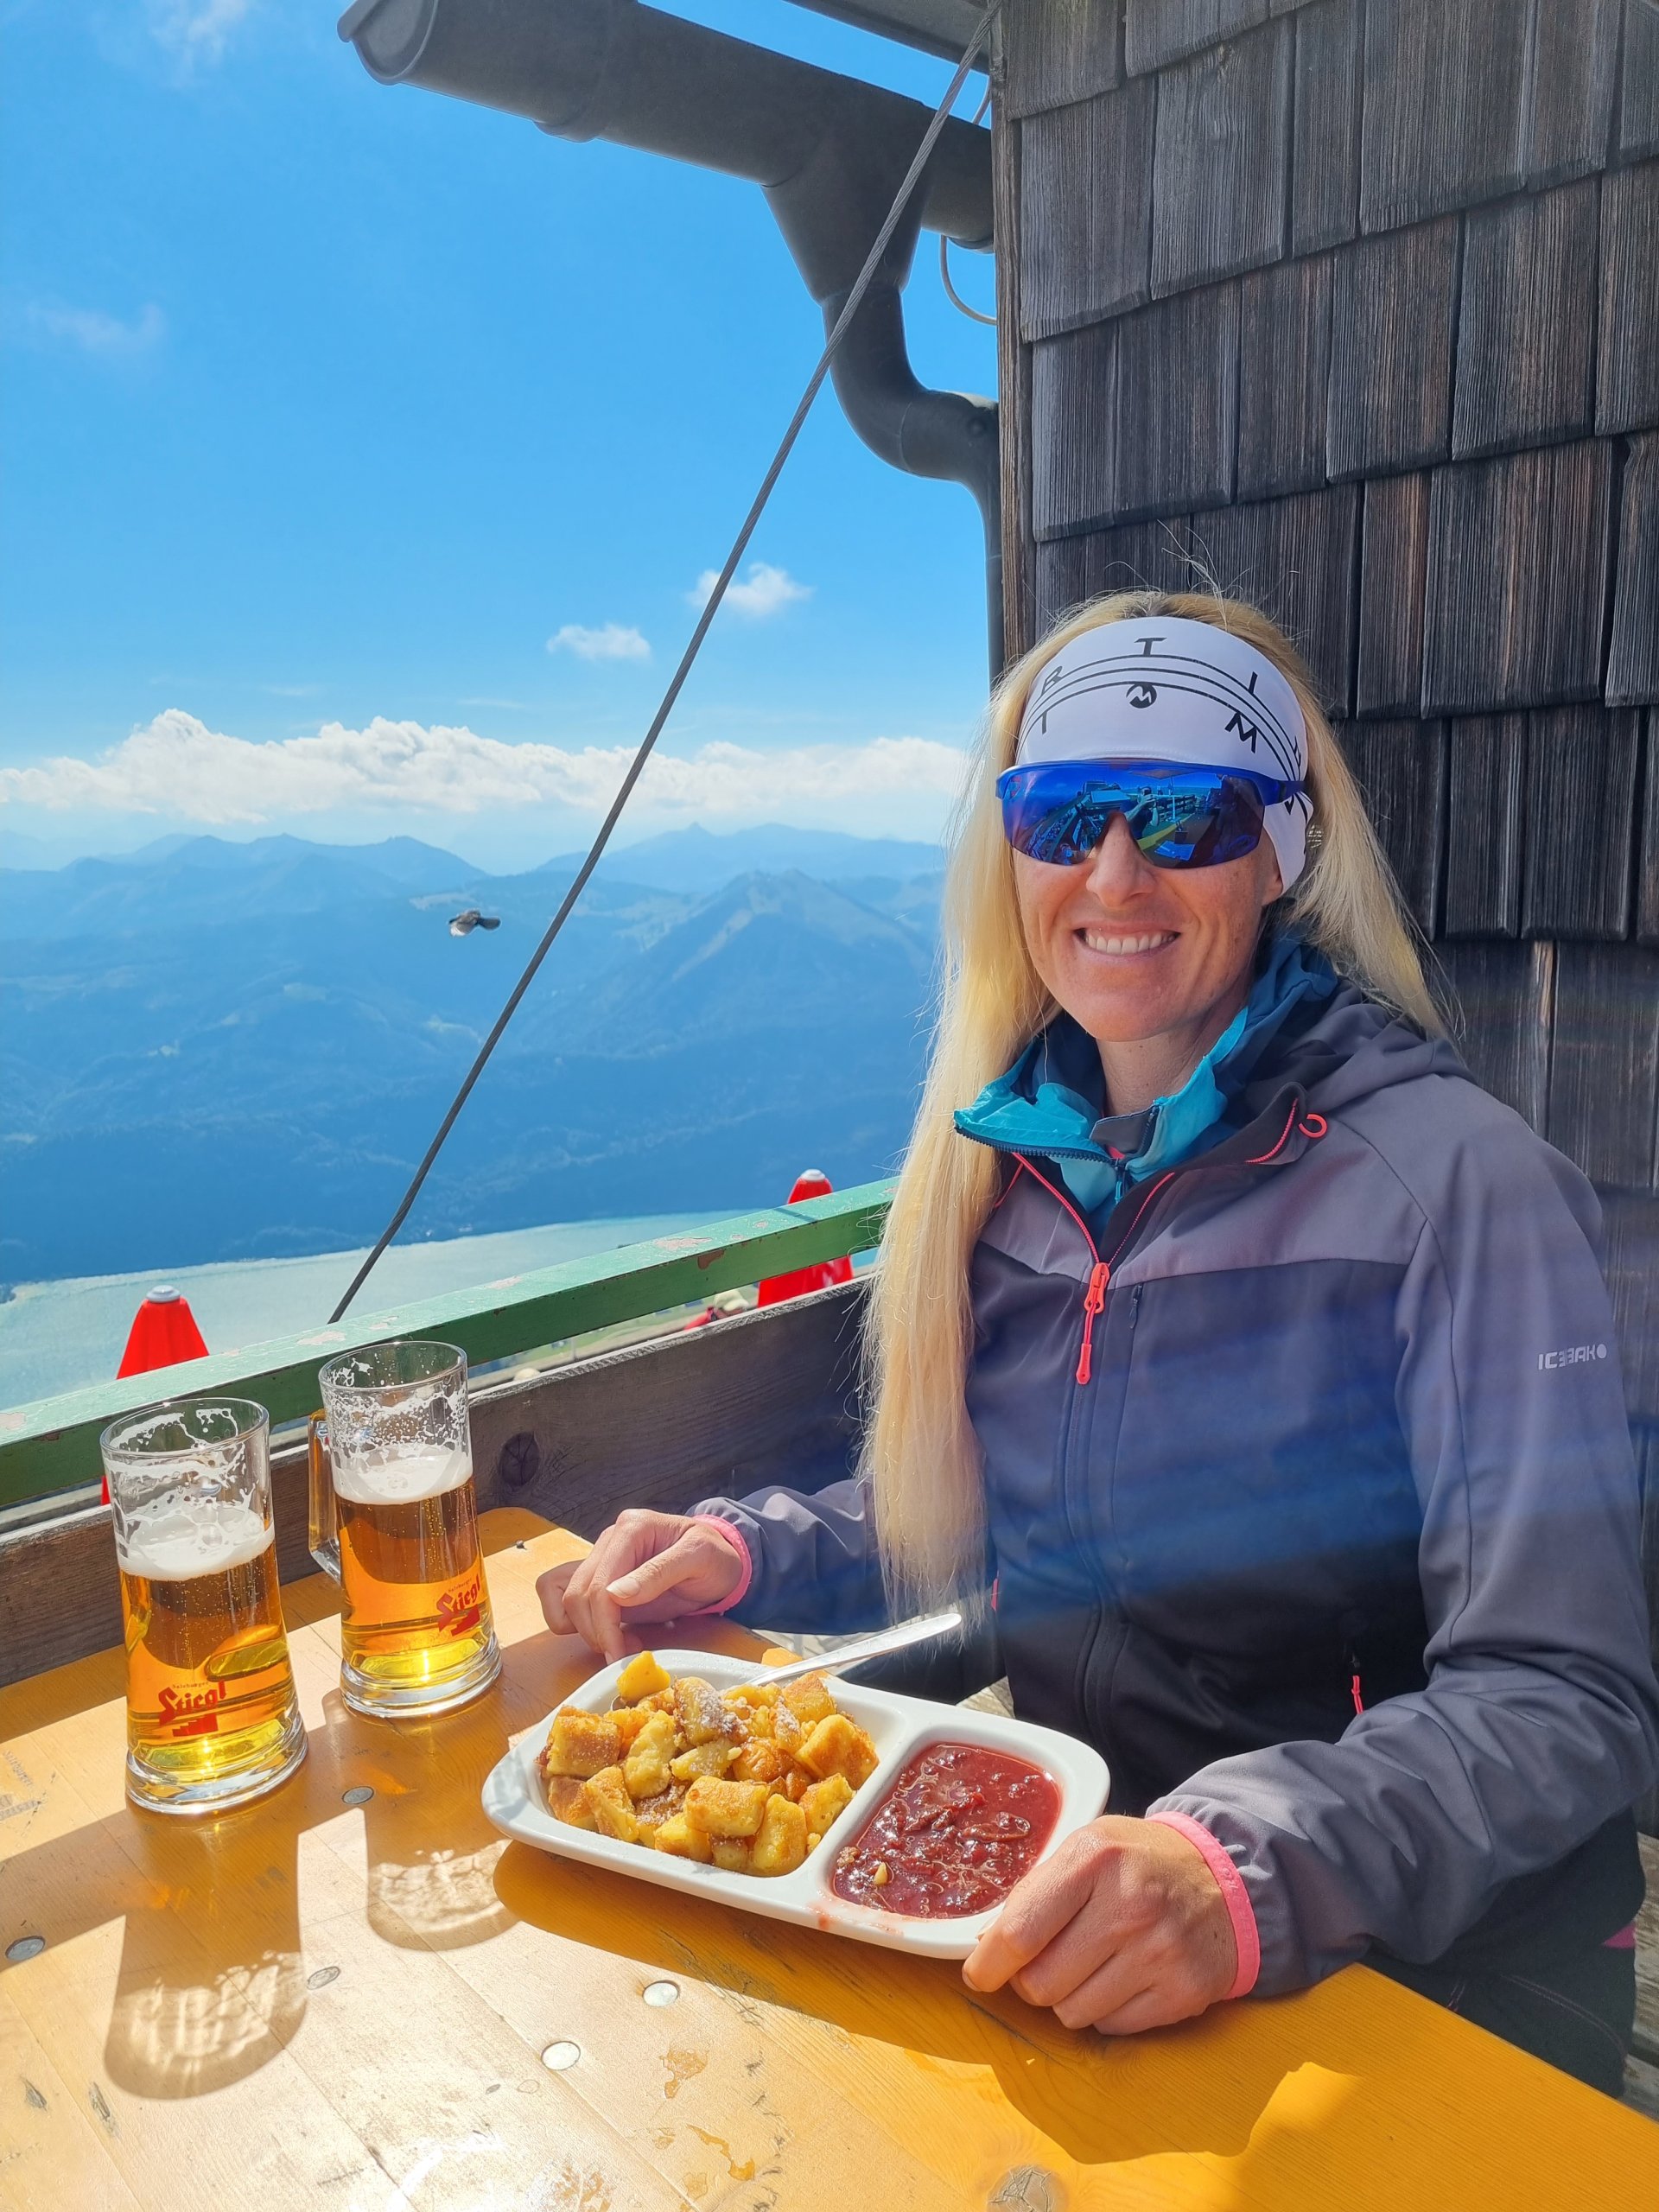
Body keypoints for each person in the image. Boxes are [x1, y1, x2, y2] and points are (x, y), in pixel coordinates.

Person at [539, 593, 1659, 2095]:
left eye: (1182, 817)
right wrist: (745, 1551)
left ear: (1283, 851)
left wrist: (1239, 1870)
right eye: (1063, 813)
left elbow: (1563, 1699)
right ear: (1010, 850)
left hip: (1440, 1975)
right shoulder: (1017, 1165)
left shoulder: (1453, 1190)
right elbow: (1020, 1498)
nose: (1112, 870)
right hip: (1093, 1917)